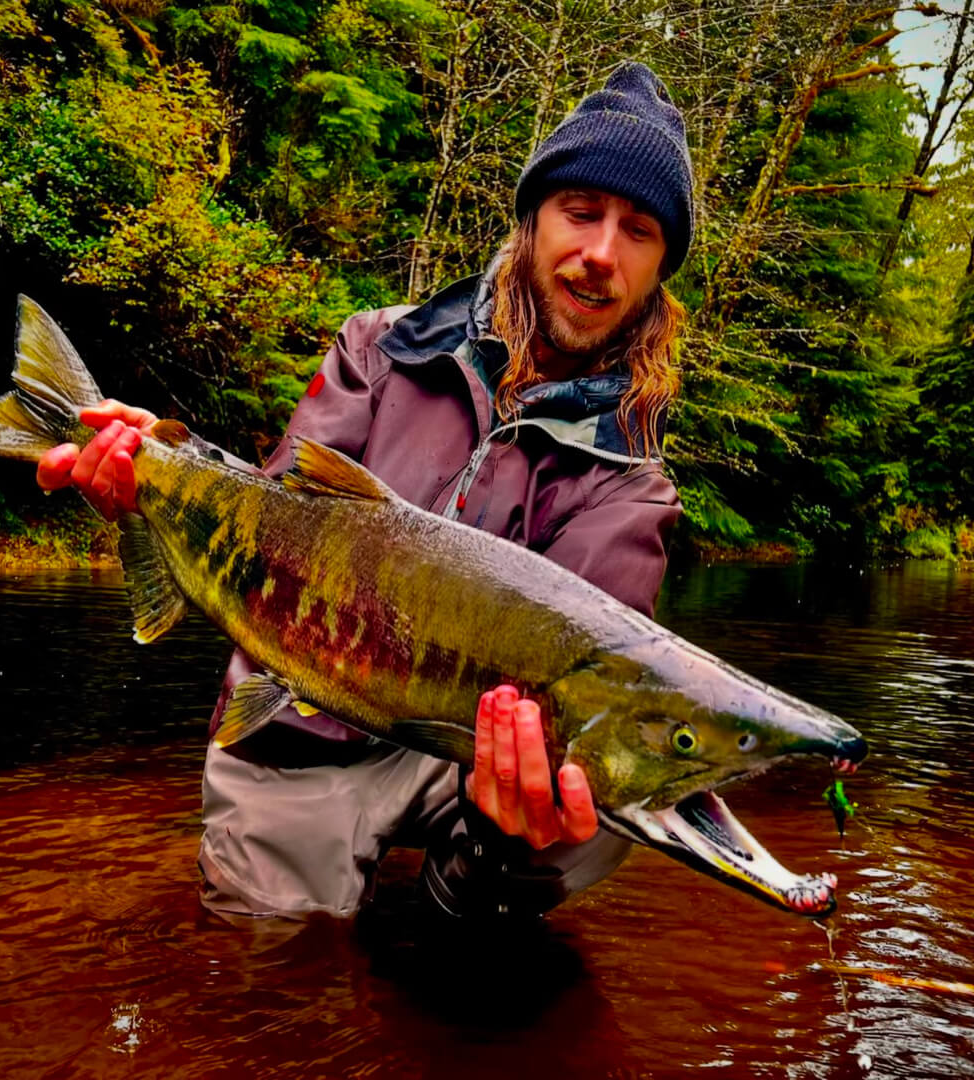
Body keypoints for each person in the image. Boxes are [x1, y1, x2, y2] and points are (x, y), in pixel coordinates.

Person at [37, 61, 693, 924]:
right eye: (581, 213)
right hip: (297, 727)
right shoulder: (381, 348)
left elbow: (592, 683)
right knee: (272, 979)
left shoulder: (631, 489)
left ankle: (457, 906)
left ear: (659, 270)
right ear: (533, 220)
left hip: (461, 757)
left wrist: (508, 836)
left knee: (612, 790)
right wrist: (162, 468)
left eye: (638, 231)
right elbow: (269, 516)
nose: (601, 253)